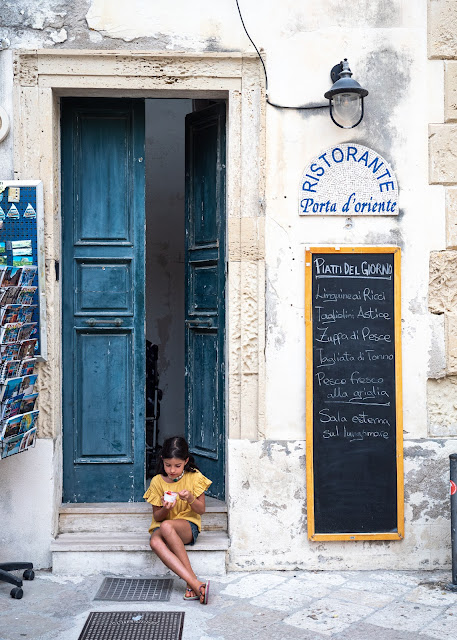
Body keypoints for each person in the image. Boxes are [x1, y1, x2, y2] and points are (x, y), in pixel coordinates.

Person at [144, 436, 211, 604]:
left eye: (177, 466)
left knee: (166, 526)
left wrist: (189, 498)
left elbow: (201, 510)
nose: (172, 470)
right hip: (164, 527)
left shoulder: (194, 477)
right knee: (155, 541)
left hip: (187, 527)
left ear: (186, 461)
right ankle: (195, 583)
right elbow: (156, 517)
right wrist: (166, 508)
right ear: (162, 461)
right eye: (168, 465)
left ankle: (192, 582)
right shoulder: (157, 481)